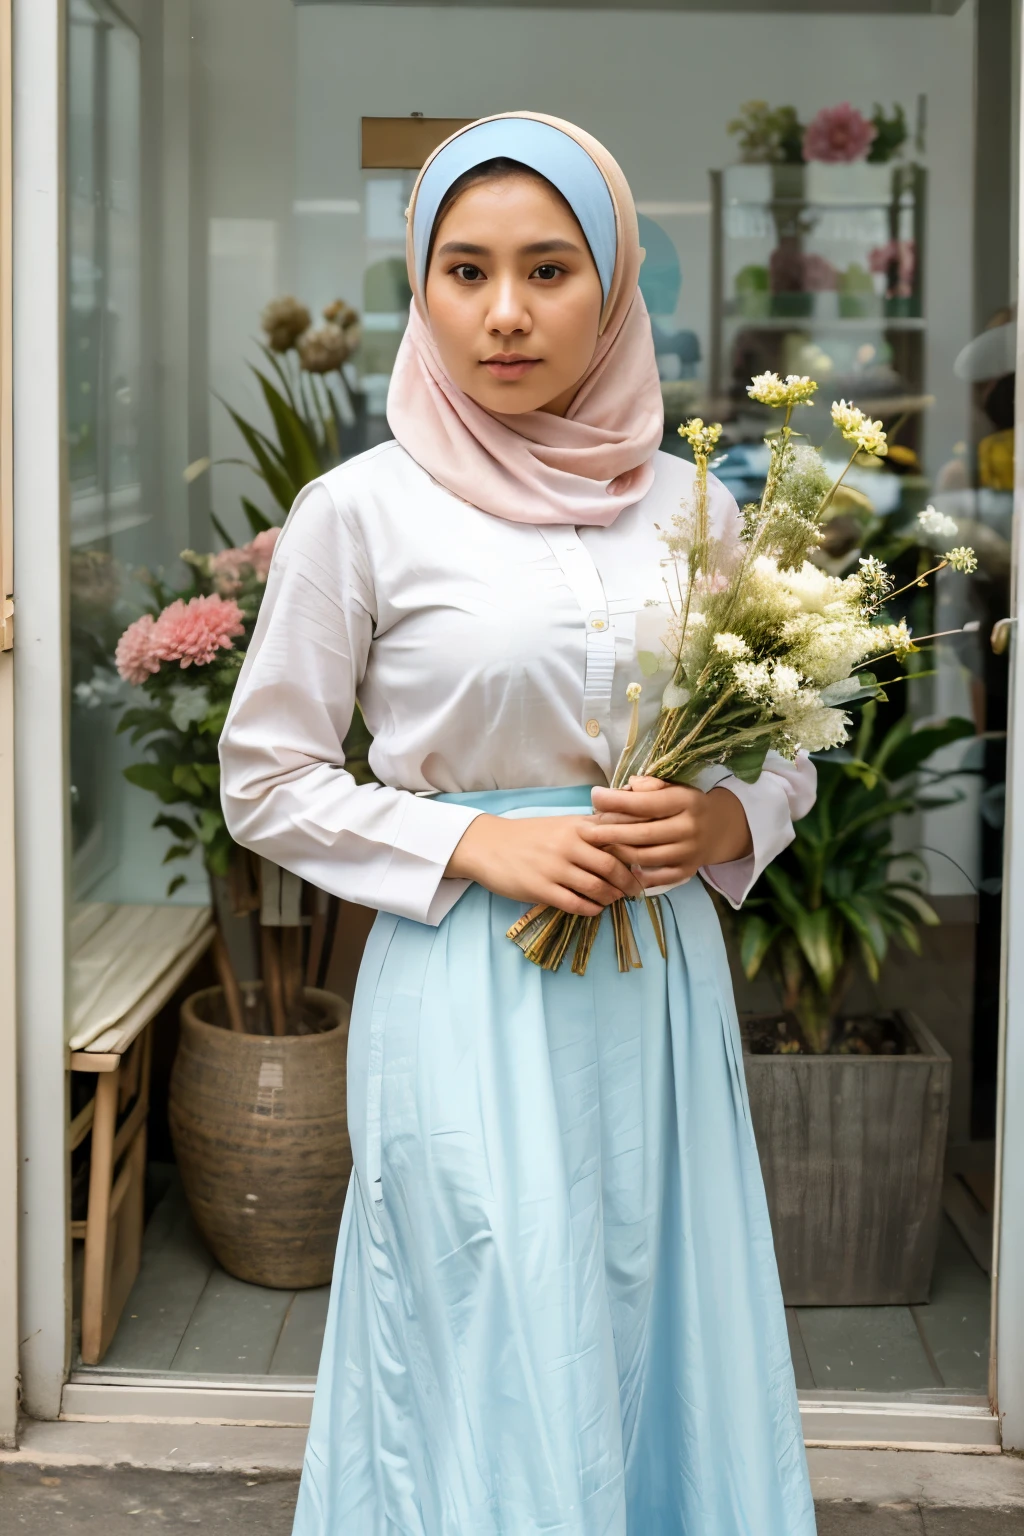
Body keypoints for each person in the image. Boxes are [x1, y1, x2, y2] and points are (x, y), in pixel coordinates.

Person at [219, 112, 818, 1536]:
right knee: (489, 1316)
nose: (504, 312)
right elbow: (267, 776)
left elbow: (788, 754)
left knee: (653, 1309)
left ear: (616, 287)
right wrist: (471, 843)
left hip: (657, 998)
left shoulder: (695, 510)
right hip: (468, 983)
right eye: (464, 270)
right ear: (417, 291)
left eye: (550, 269)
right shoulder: (358, 513)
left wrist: (725, 820)